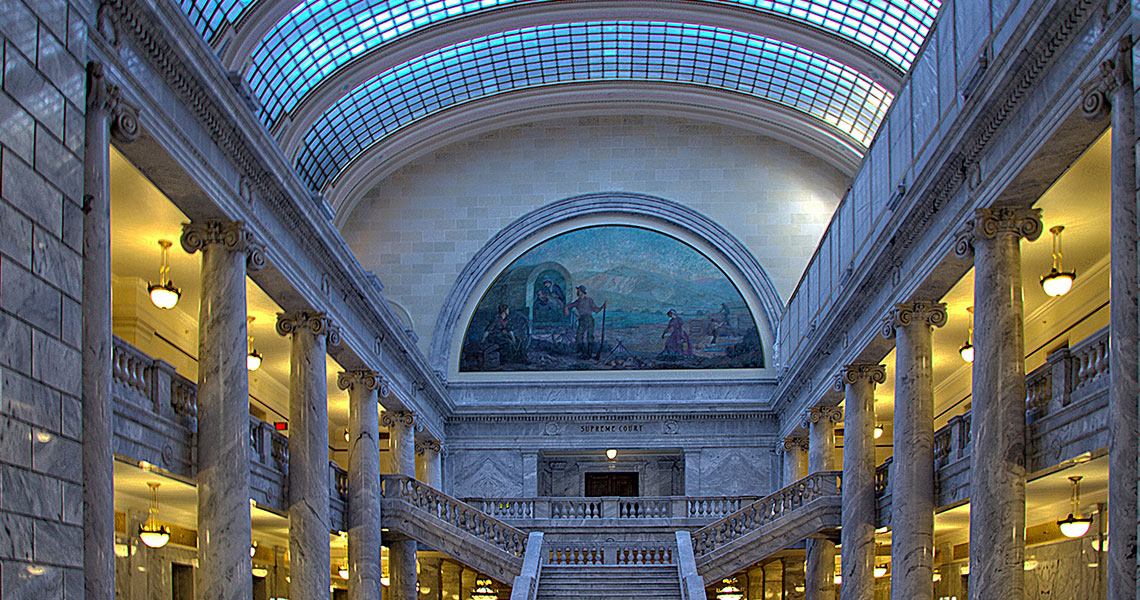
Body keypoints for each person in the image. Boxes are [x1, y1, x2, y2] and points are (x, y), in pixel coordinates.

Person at [564, 285, 606, 358]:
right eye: (577, 291)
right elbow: (569, 306)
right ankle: (583, 353)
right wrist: (566, 308)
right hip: (582, 319)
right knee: (579, 336)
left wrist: (602, 307)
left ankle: (589, 354)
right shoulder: (577, 301)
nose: (577, 292)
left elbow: (596, 310)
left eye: (579, 291)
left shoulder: (589, 300)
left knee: (590, 337)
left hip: (589, 319)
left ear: (582, 292)